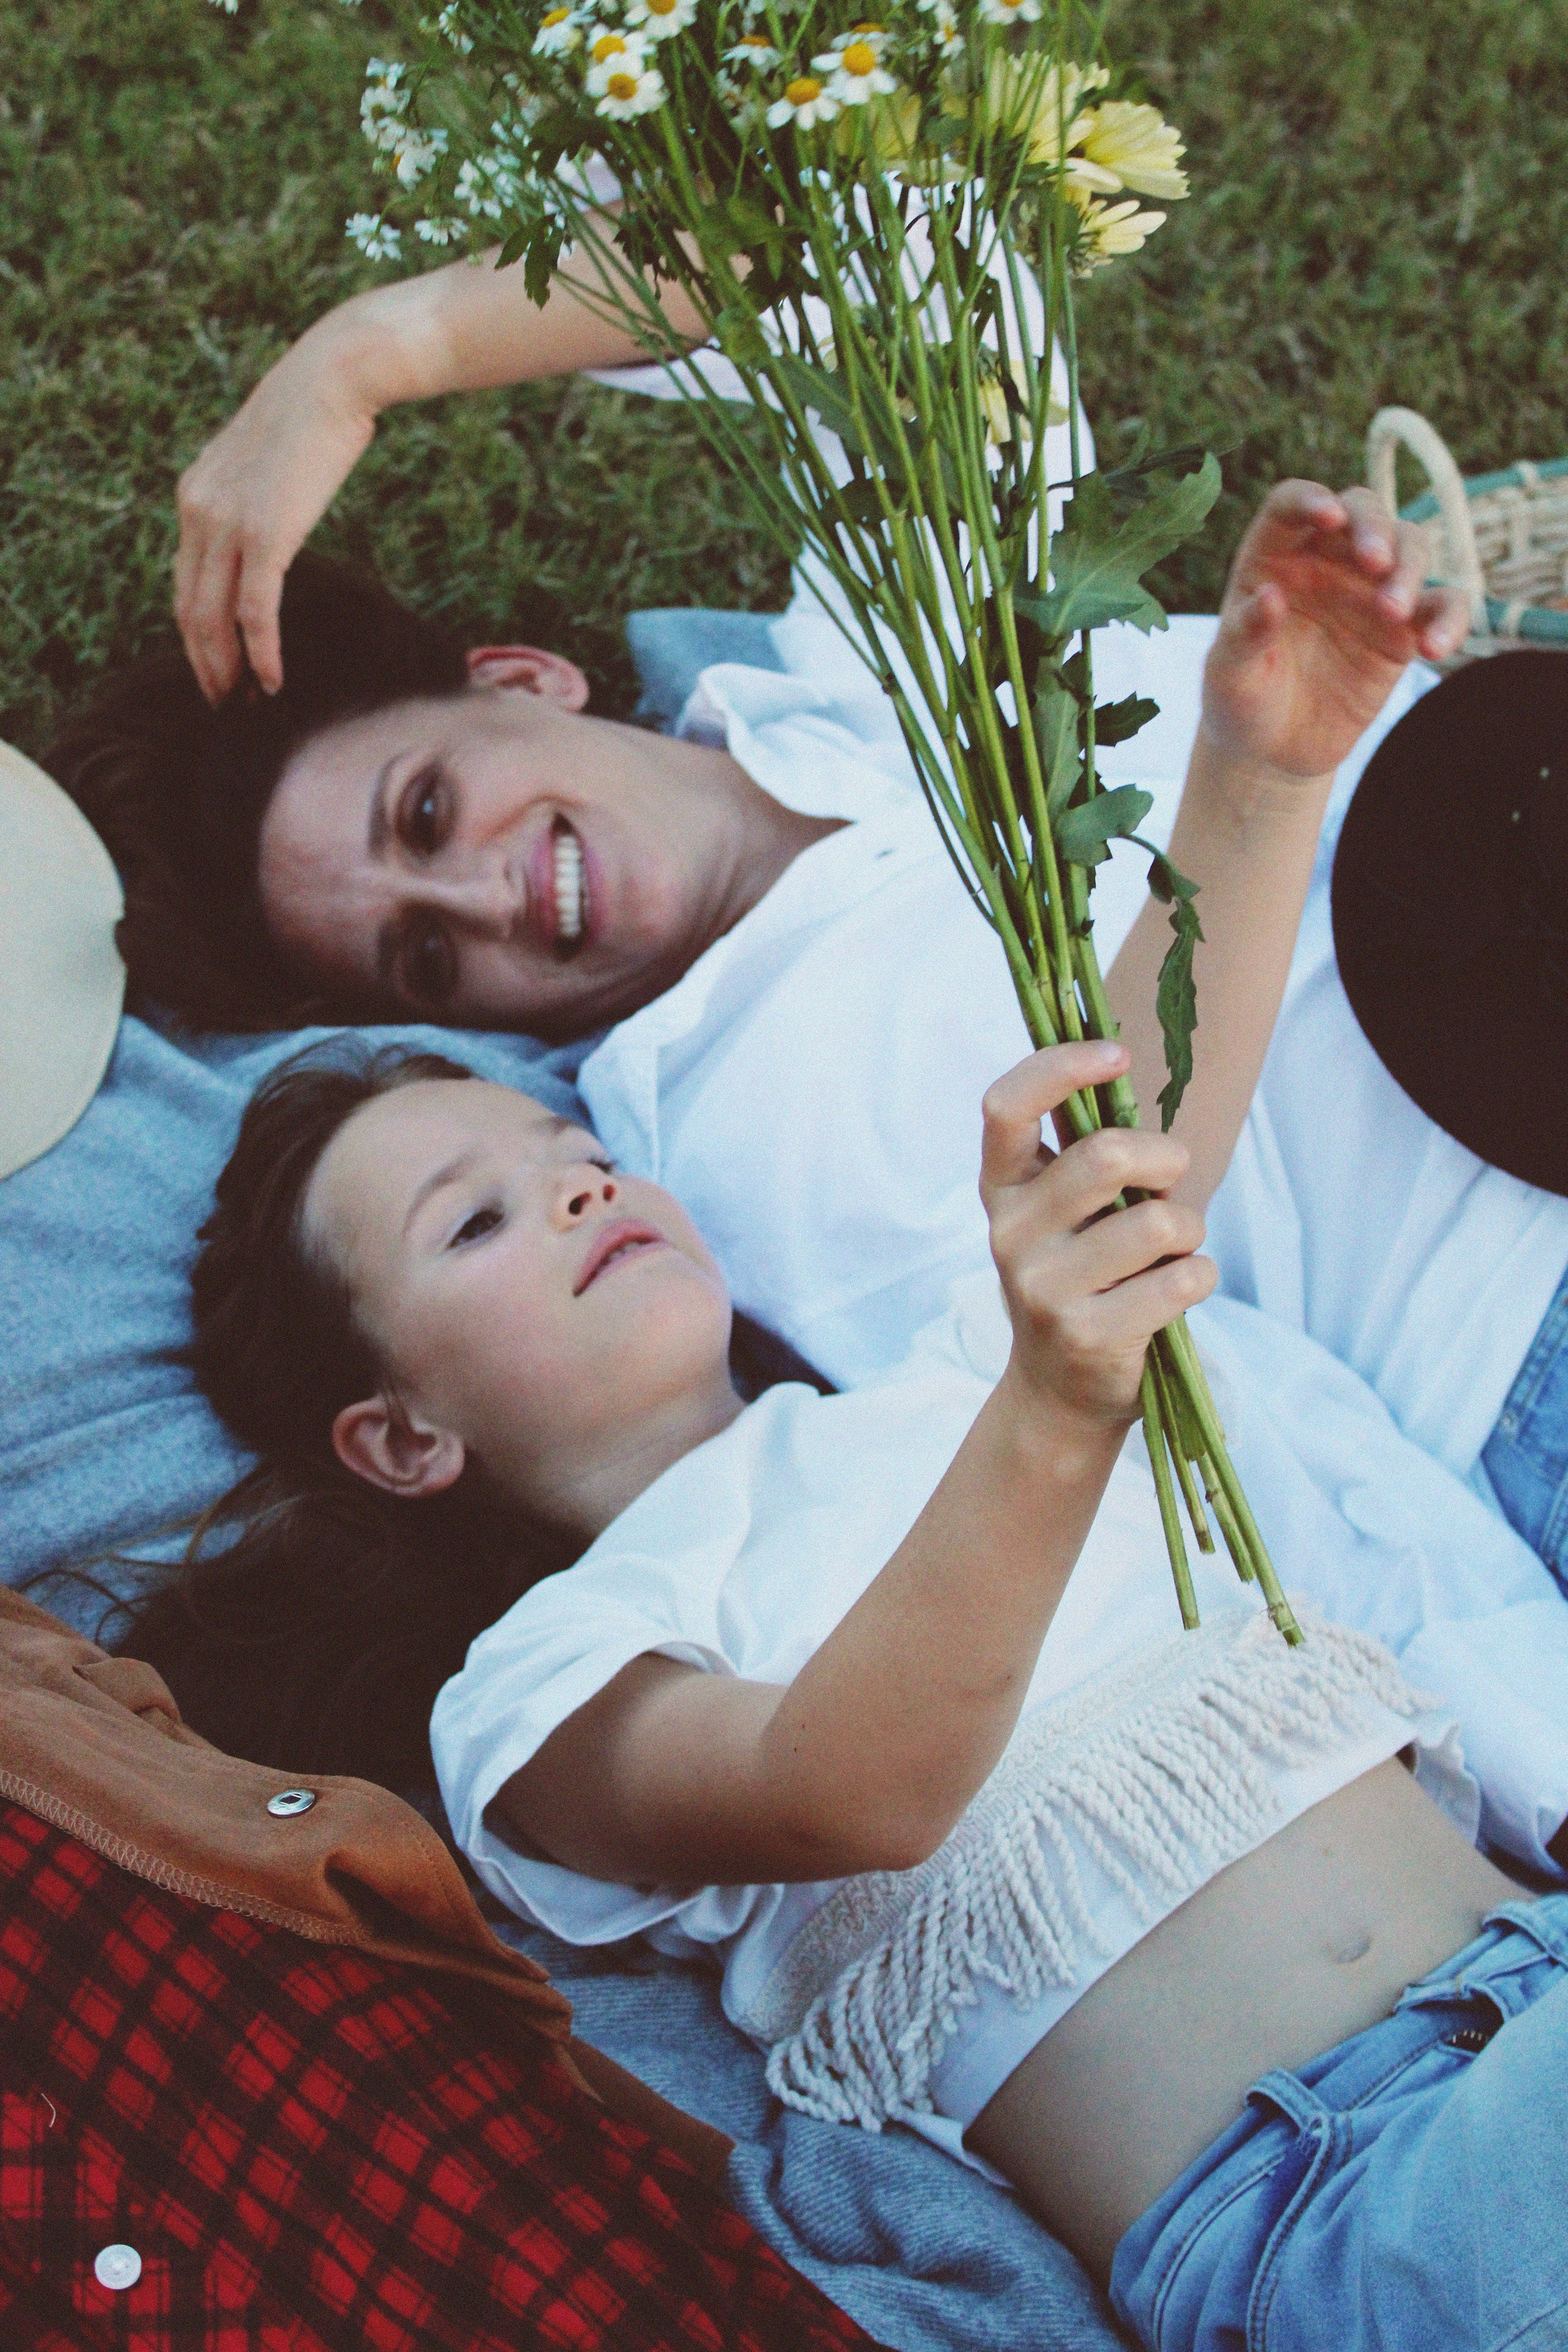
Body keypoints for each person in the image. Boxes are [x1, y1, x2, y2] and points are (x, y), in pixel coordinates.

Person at [130, 1025, 1567, 2350]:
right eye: (476, 1219)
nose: (574, 1192)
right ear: (400, 1441)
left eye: (581, 1158)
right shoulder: (537, 1686)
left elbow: (1126, 1114)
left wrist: (1254, 774)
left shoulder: (946, 1387)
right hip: (1335, 2184)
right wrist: (1056, 1412)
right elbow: (847, 1792)